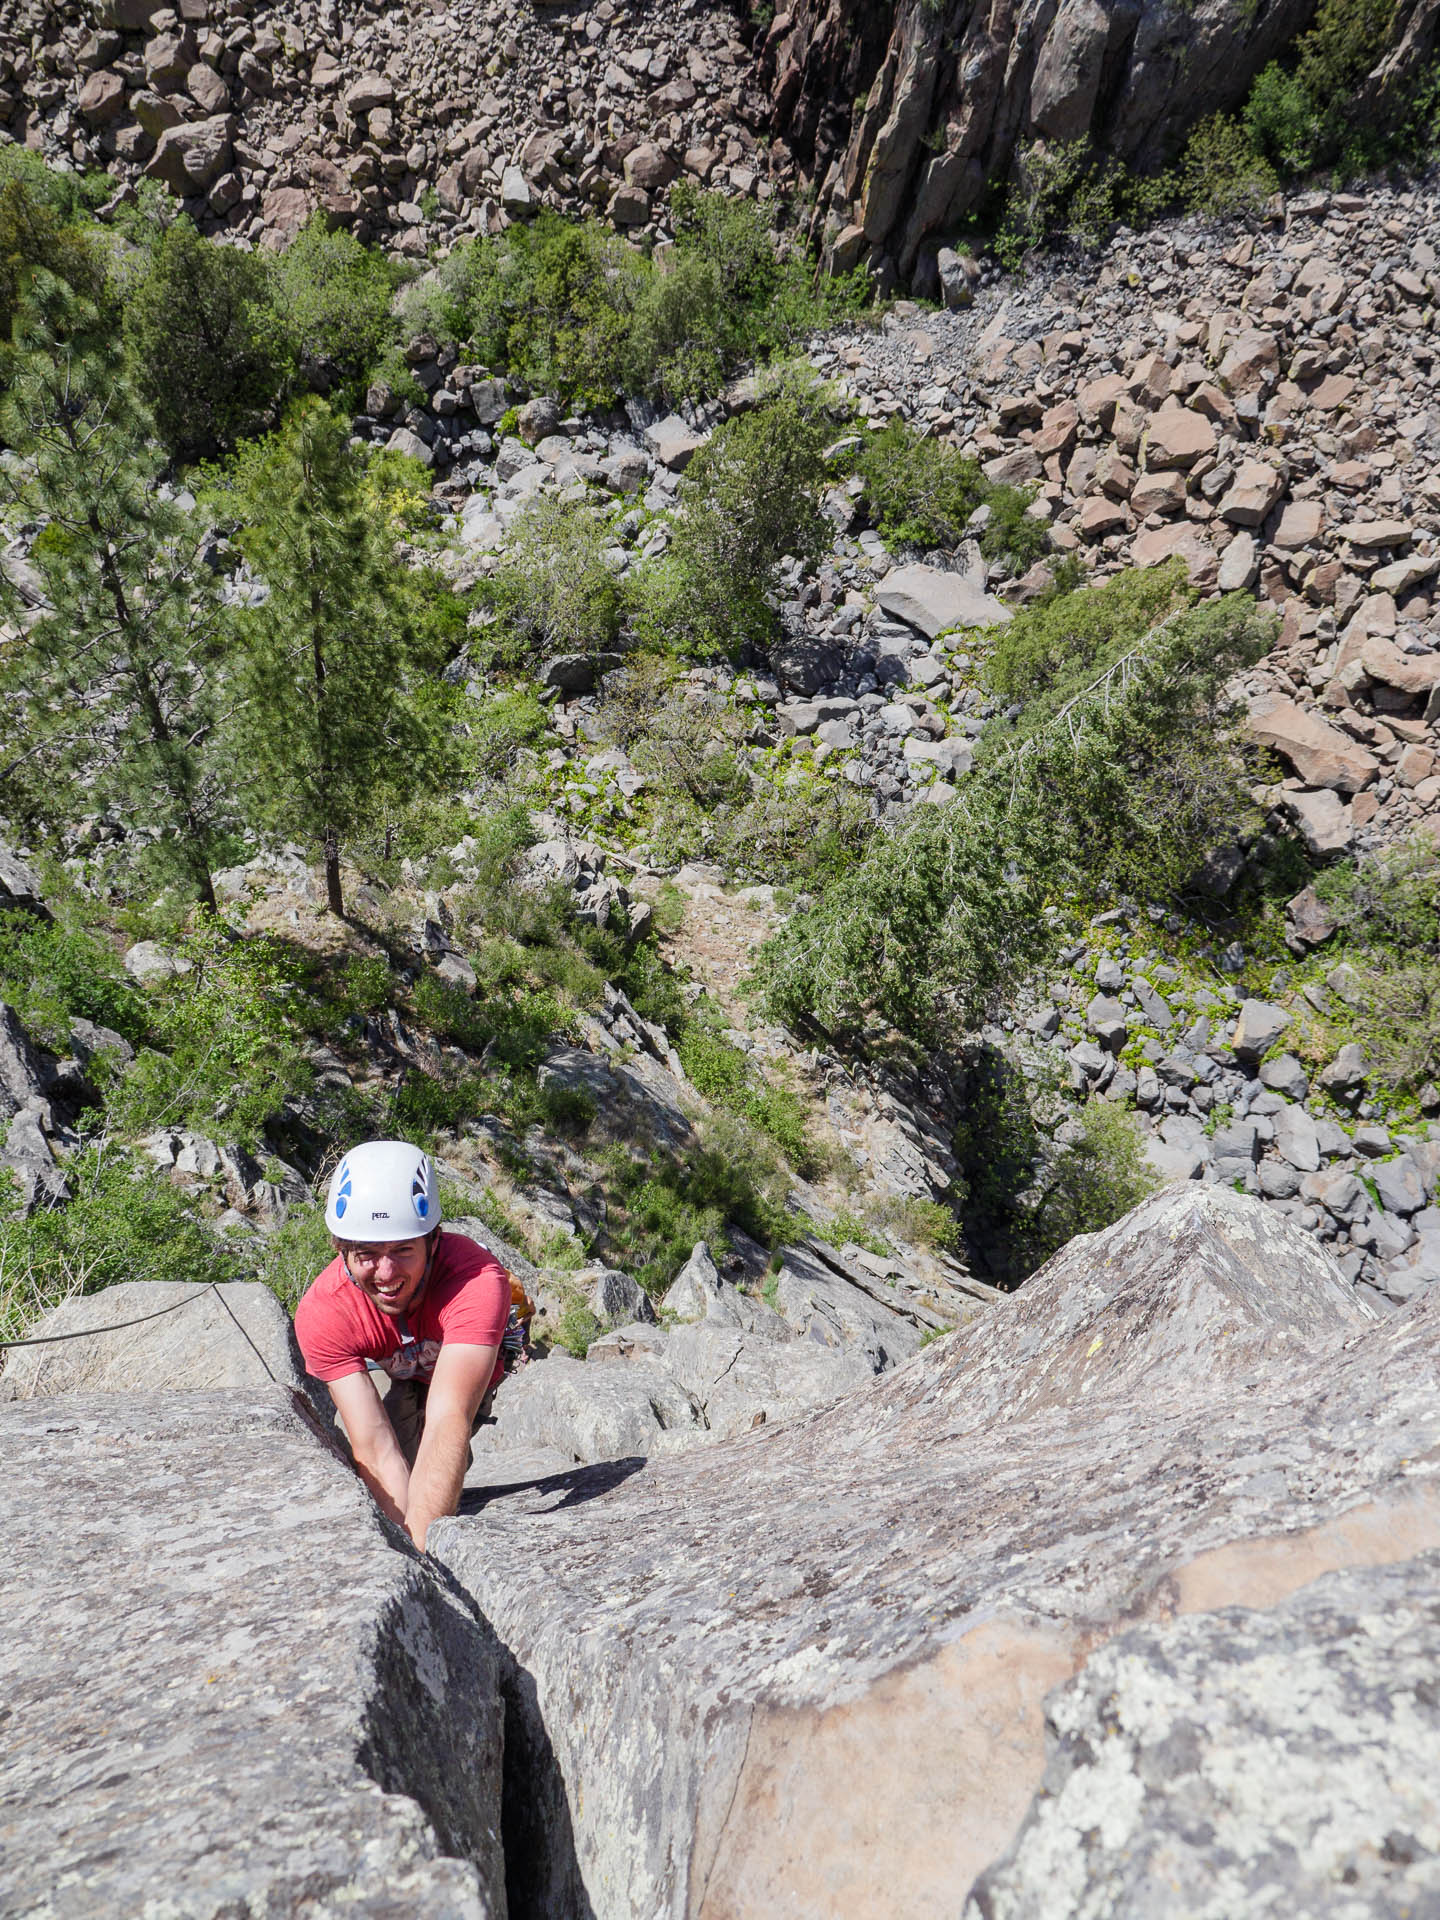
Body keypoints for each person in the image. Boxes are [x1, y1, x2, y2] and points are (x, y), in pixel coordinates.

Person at [294, 1139, 518, 1550]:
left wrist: (427, 1545)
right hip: (403, 1368)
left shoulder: (477, 1279)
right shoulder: (323, 1313)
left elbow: (450, 1414)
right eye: (366, 1254)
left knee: (443, 1446)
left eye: (403, 1250)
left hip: (466, 1363)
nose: (386, 1273)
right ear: (339, 1250)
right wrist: (410, 1556)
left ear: (435, 1240)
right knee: (403, 1466)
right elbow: (374, 1446)